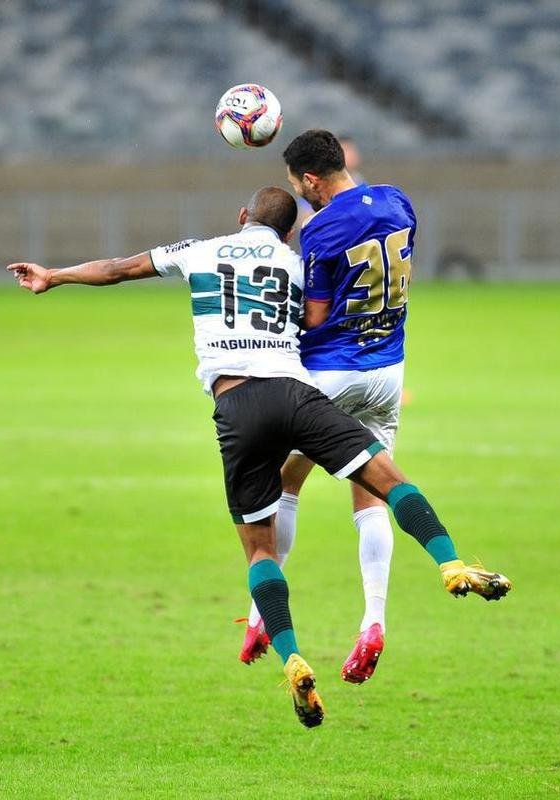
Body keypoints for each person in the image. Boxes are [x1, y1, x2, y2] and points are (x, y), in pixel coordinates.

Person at [7, 187, 510, 729]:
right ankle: (450, 563)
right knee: (387, 479)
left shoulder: (199, 250)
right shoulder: (296, 263)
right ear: (289, 231)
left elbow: (118, 269)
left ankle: (291, 657)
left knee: (260, 549)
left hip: (236, 409)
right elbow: (320, 318)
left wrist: (53, 275)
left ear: (242, 216)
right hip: (296, 395)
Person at [237, 130, 413, 685]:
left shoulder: (320, 228)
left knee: (284, 485)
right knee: (372, 494)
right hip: (388, 371)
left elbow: (314, 317)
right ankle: (374, 619)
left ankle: (262, 617)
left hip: (331, 372)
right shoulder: (398, 202)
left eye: (298, 185)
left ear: (311, 180)